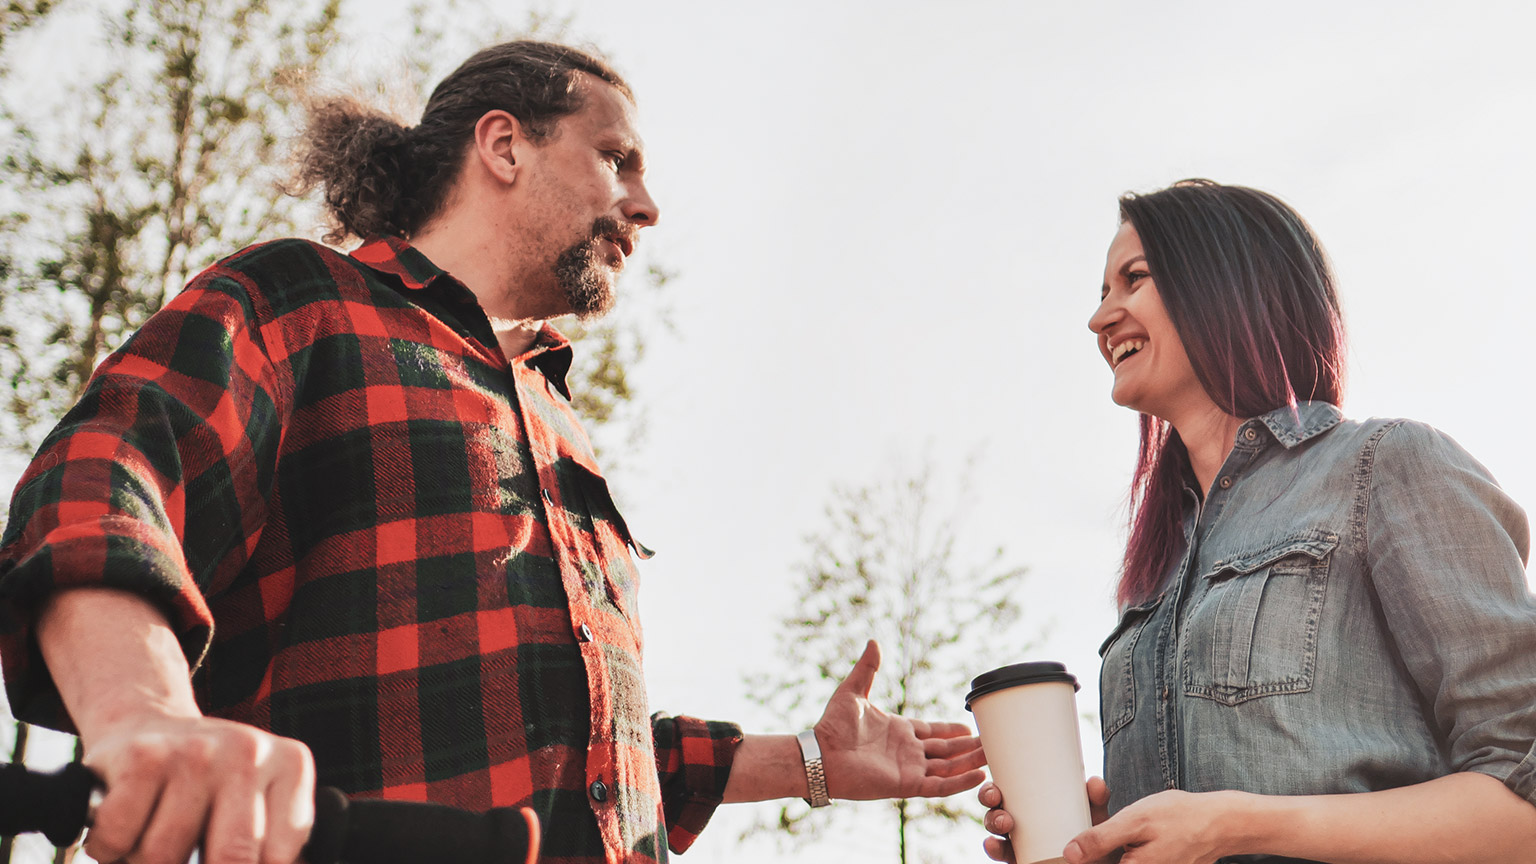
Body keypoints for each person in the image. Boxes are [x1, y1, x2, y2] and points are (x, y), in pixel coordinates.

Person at [0, 40, 986, 864]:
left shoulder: (558, 418)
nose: (646, 205)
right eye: (618, 159)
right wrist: (145, 718)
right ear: (505, 145)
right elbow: (102, 481)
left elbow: (579, 751)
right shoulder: (298, 301)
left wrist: (811, 761)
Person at [979, 180, 1536, 864]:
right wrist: (1102, 836)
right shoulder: (1157, 567)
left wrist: (1239, 826)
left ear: (1225, 284)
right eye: (1101, 294)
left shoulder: (1386, 466)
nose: (1101, 319)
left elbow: (1524, 808)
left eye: (1135, 279)